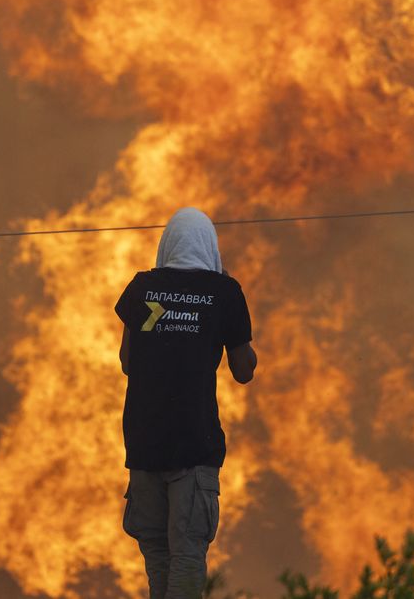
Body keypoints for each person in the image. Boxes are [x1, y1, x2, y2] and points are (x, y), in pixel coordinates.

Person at [114, 207, 257, 598]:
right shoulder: (224, 293)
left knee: (159, 555)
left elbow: (127, 362)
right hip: (194, 447)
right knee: (188, 554)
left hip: (144, 445)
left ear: (167, 246)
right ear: (210, 248)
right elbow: (244, 371)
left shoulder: (142, 289)